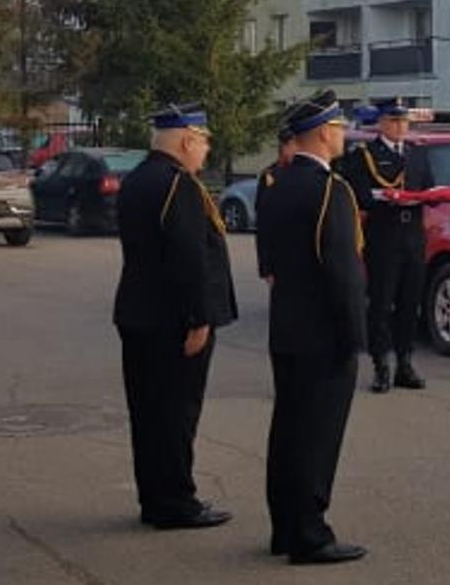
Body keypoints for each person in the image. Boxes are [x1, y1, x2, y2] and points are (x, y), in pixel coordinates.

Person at [112, 102, 237, 531]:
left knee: (148, 413)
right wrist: (199, 318)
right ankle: (176, 502)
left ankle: (155, 497)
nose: (205, 150)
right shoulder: (177, 185)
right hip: (172, 320)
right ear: (186, 141)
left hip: (138, 312)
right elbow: (188, 257)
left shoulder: (137, 179)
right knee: (176, 413)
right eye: (203, 142)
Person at [257, 90, 366, 564]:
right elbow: (342, 271)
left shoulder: (277, 183)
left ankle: (285, 527)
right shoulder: (329, 190)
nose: (343, 135)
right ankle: (309, 534)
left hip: (287, 325)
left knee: (288, 430)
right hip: (323, 333)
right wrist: (354, 335)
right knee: (317, 436)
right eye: (339, 128)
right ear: (323, 133)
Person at [338, 98, 433, 393]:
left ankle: (405, 362)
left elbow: (428, 188)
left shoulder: (417, 154)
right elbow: (357, 193)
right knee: (381, 303)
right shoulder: (365, 155)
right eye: (393, 120)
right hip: (384, 237)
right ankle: (381, 364)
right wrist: (383, 197)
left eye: (403, 120)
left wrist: (426, 197)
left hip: (413, 237)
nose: (400, 126)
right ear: (381, 123)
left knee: (409, 302)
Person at [254, 131, 298, 280]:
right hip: (277, 256)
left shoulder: (299, 173)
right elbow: (262, 224)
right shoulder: (269, 176)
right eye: (294, 145)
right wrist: (265, 268)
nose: (297, 151)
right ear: (284, 147)